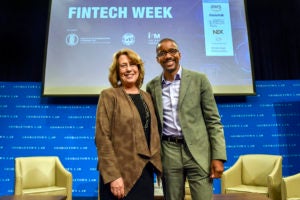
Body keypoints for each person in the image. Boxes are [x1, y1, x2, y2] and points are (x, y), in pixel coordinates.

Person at [146, 38, 227, 200]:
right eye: (162, 53)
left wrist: (218, 157)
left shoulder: (199, 80)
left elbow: (213, 120)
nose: (168, 56)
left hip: (198, 151)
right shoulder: (152, 86)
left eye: (172, 51)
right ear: (157, 59)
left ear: (179, 55)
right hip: (169, 152)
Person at [95, 48, 162, 200]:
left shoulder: (148, 97)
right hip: (119, 173)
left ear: (139, 68)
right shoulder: (109, 95)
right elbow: (102, 138)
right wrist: (113, 176)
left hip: (144, 173)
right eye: (123, 66)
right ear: (117, 72)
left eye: (133, 64)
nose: (129, 69)